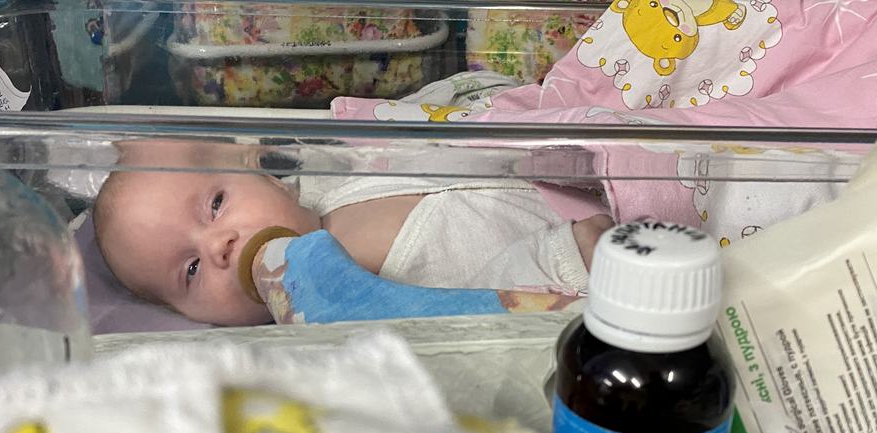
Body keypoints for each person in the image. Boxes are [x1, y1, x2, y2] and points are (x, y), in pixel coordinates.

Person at [92, 139, 614, 326]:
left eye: (216, 203)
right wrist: (562, 262)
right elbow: (475, 321)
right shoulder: (348, 316)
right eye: (190, 270)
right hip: (600, 255)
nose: (219, 245)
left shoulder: (326, 181)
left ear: (265, 172)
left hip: (586, 165)